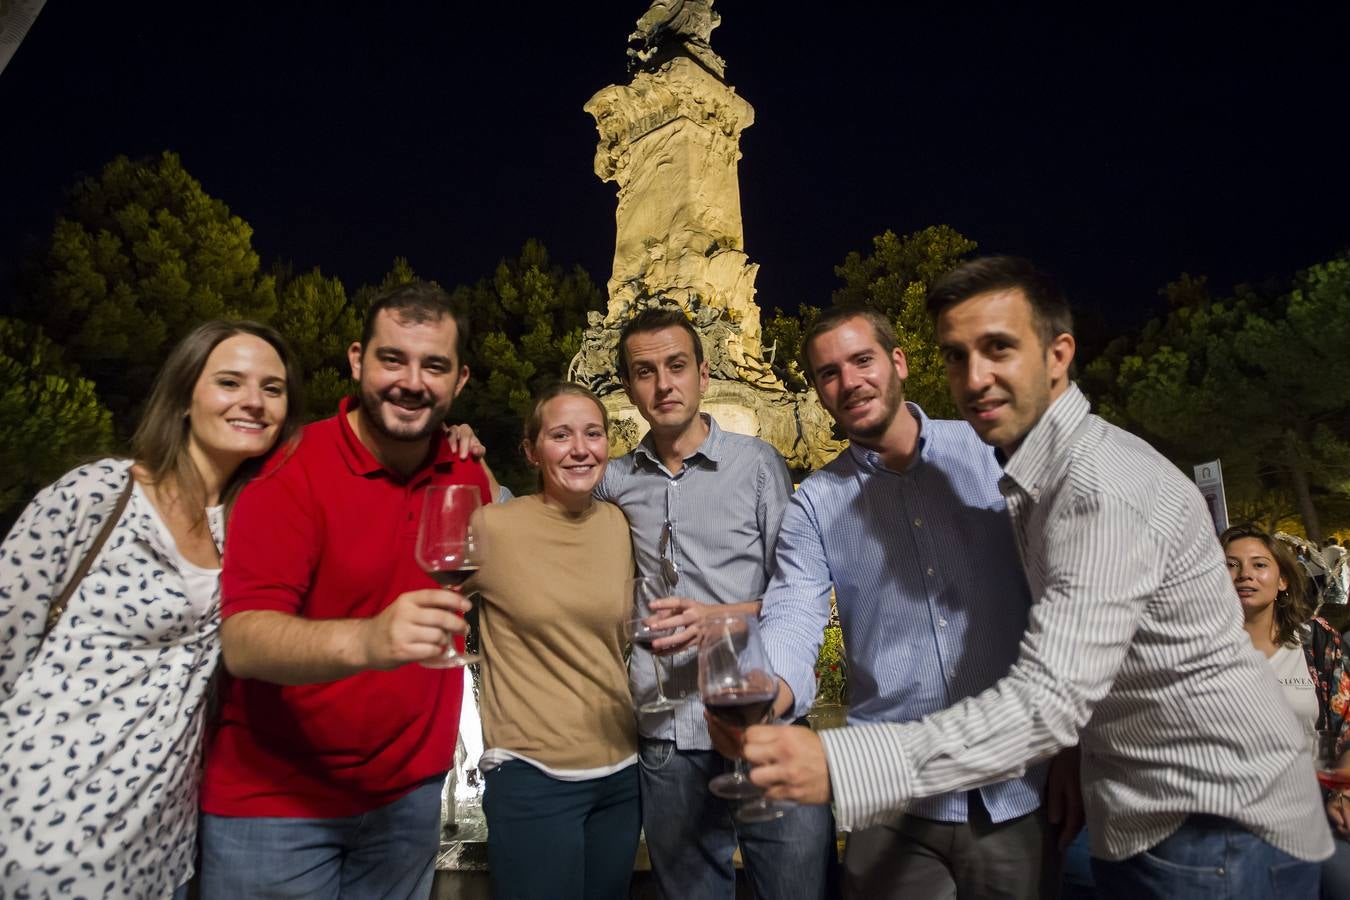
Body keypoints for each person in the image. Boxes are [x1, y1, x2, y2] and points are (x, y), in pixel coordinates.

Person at [742, 256, 1332, 899]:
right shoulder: (1012, 473)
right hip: (1107, 811)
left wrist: (840, 764)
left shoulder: (1078, 484)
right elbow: (796, 611)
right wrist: (772, 684)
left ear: (1058, 355)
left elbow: (1050, 697)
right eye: (959, 357)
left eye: (999, 349)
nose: (976, 378)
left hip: (1205, 821)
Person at [753, 305, 1073, 898]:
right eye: (828, 373)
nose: (849, 382)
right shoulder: (815, 505)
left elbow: (1065, 594)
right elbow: (795, 613)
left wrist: (1075, 750)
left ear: (897, 362)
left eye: (862, 360)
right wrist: (772, 690)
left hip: (1015, 785)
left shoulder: (992, 454)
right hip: (892, 797)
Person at [199, 282, 492, 898]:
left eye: (433, 366)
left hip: (407, 802)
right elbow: (245, 642)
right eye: (393, 359)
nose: (412, 382)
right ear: (358, 360)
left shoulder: (466, 471)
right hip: (277, 804)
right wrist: (371, 638)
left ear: (459, 380)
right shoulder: (289, 466)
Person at [0, 320, 302, 898]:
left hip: (160, 841)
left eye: (273, 388)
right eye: (230, 381)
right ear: (186, 395)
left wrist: (451, 438)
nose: (253, 402)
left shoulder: (249, 528)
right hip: (40, 819)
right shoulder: (95, 495)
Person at [595, 306, 835, 899]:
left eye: (676, 365)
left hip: (759, 719)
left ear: (703, 373)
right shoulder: (614, 480)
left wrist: (719, 618)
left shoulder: (757, 466)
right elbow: (544, 505)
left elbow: (800, 587)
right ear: (628, 387)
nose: (663, 384)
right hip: (666, 735)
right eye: (644, 371)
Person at [468, 382, 640, 898]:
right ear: (532, 450)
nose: (580, 448)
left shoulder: (619, 524)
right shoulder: (492, 527)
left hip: (622, 776)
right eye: (561, 435)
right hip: (532, 777)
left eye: (593, 433)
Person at [1222, 524, 1350, 898]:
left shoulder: (1316, 639)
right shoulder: (1198, 647)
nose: (1245, 574)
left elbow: (1346, 724)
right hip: (1232, 817)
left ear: (1281, 580)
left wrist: (1343, 795)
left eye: (1259, 564)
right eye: (1230, 565)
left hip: (1316, 806)